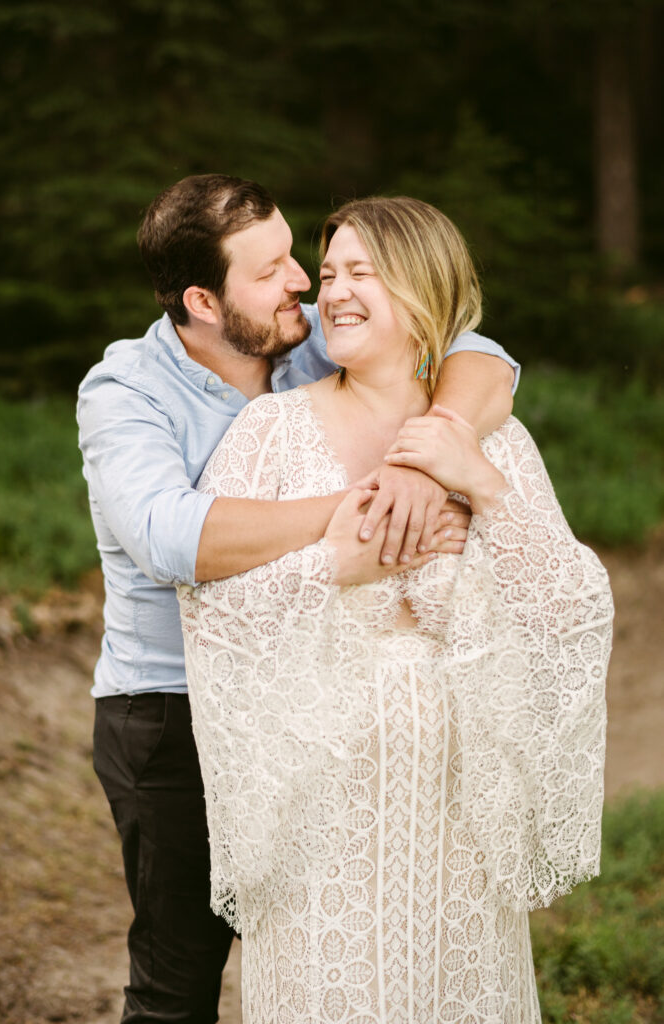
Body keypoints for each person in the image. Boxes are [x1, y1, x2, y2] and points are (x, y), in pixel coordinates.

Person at [77, 175, 519, 1024]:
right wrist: (361, 507)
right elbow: (173, 539)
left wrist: (421, 456)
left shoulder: (308, 337)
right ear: (203, 301)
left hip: (312, 693)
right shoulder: (125, 391)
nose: (304, 285)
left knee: (327, 954)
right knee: (177, 980)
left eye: (294, 257)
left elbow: (479, 351)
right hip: (168, 709)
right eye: (272, 269)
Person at [178, 196, 613, 1023]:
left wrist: (477, 482)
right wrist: (335, 569)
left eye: (361, 273)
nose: (332, 292)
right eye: (328, 272)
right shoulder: (268, 432)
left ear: (424, 292)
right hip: (316, 829)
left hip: (460, 824)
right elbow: (210, 612)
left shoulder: (494, 440)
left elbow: (568, 613)